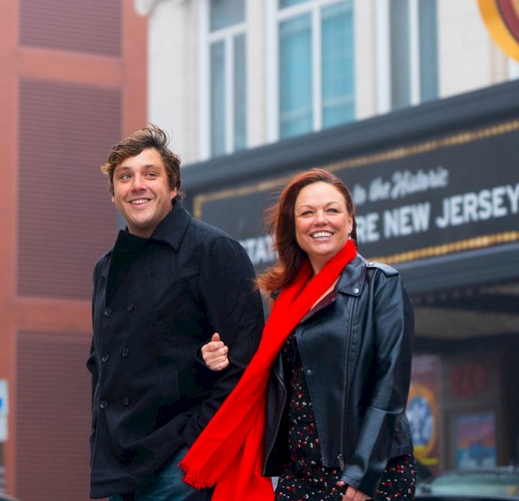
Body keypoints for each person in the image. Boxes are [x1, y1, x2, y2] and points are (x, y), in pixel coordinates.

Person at [181, 168, 416, 501]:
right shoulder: (287, 300)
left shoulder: (381, 284)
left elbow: (389, 390)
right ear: (294, 227)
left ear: (350, 222)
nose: (320, 220)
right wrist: (210, 357)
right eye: (307, 213)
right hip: (300, 473)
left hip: (364, 472)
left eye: (332, 210)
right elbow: (264, 380)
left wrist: (363, 474)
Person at [87, 124, 266, 501]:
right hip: (122, 468)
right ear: (113, 195)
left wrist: (194, 446)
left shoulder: (214, 250)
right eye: (125, 177)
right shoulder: (105, 269)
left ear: (172, 188)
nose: (137, 185)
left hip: (182, 467)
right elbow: (101, 369)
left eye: (150, 174)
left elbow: (247, 362)